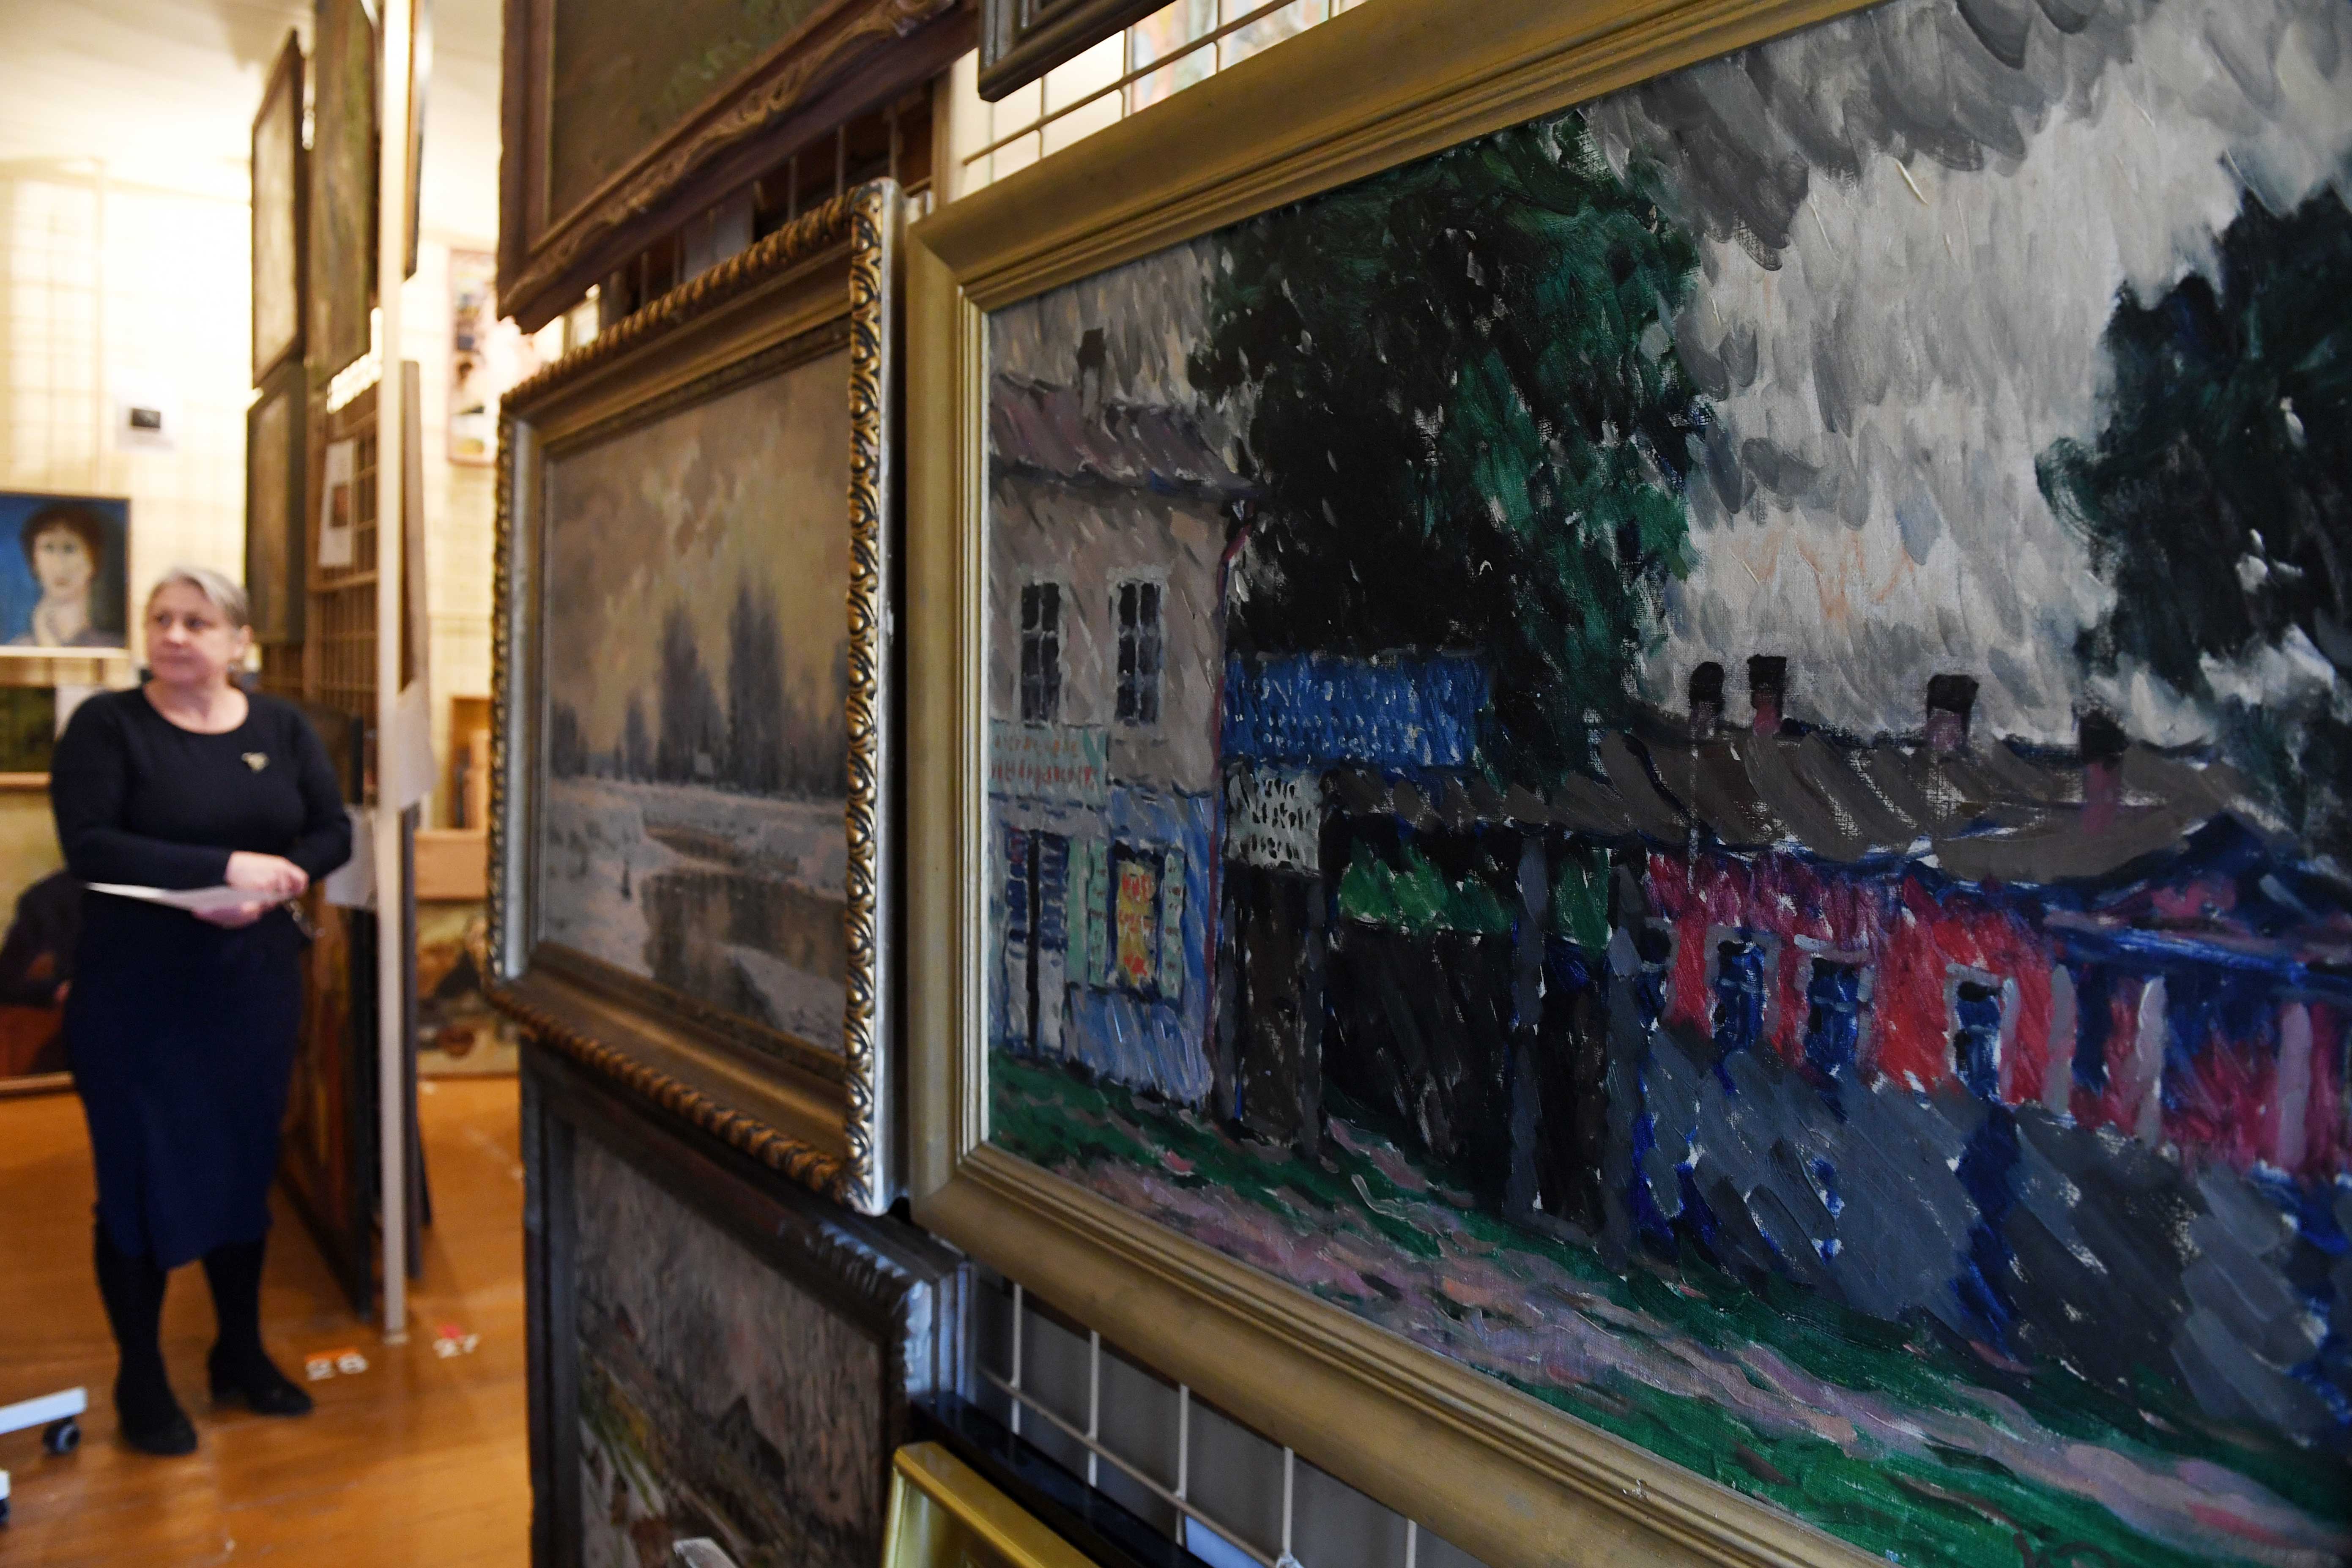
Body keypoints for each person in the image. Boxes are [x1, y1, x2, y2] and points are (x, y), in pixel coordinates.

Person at [50, 565, 351, 1455]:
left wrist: (281, 879)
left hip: (249, 988)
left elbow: (332, 828)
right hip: (136, 997)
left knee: (241, 1169)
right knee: (136, 1181)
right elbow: (89, 844)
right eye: (161, 619)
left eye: (198, 621)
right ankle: (140, 1373)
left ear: (240, 641)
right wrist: (223, 868)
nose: (175, 635)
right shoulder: (108, 726)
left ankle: (239, 1351)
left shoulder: (281, 726)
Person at [11, 501, 120, 649]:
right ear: (35, 562)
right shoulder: (19, 648)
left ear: (93, 560)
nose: (59, 565)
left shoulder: (112, 647)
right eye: (49, 548)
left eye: (69, 549)